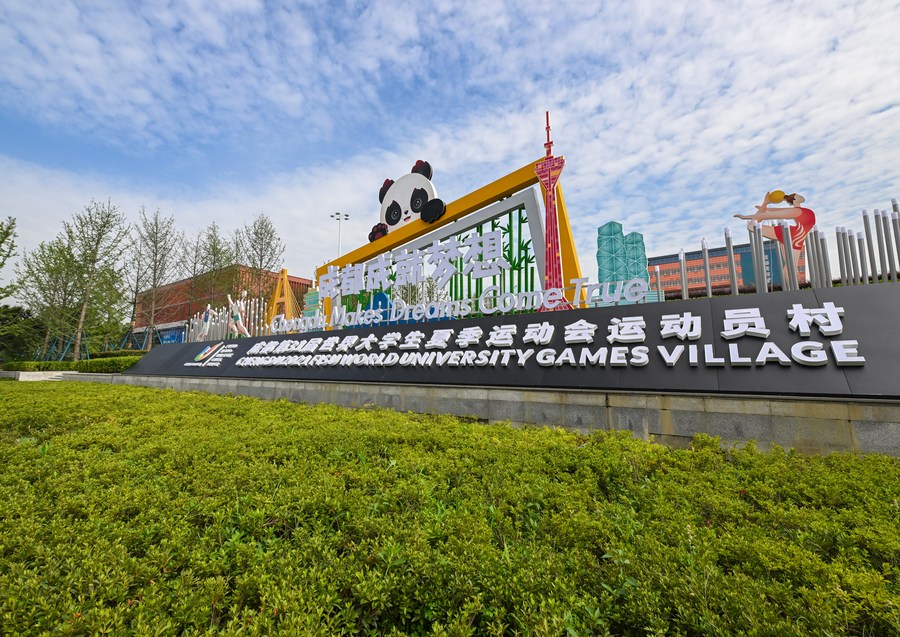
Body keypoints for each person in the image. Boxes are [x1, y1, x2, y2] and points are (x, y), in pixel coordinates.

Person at [735, 190, 816, 273]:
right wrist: (746, 217)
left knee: (790, 268)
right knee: (752, 225)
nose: (801, 196)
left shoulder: (799, 210)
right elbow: (766, 215)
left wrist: (764, 206)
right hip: (790, 234)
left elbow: (774, 210)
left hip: (796, 238)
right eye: (798, 195)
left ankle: (791, 285)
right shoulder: (797, 211)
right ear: (794, 200)